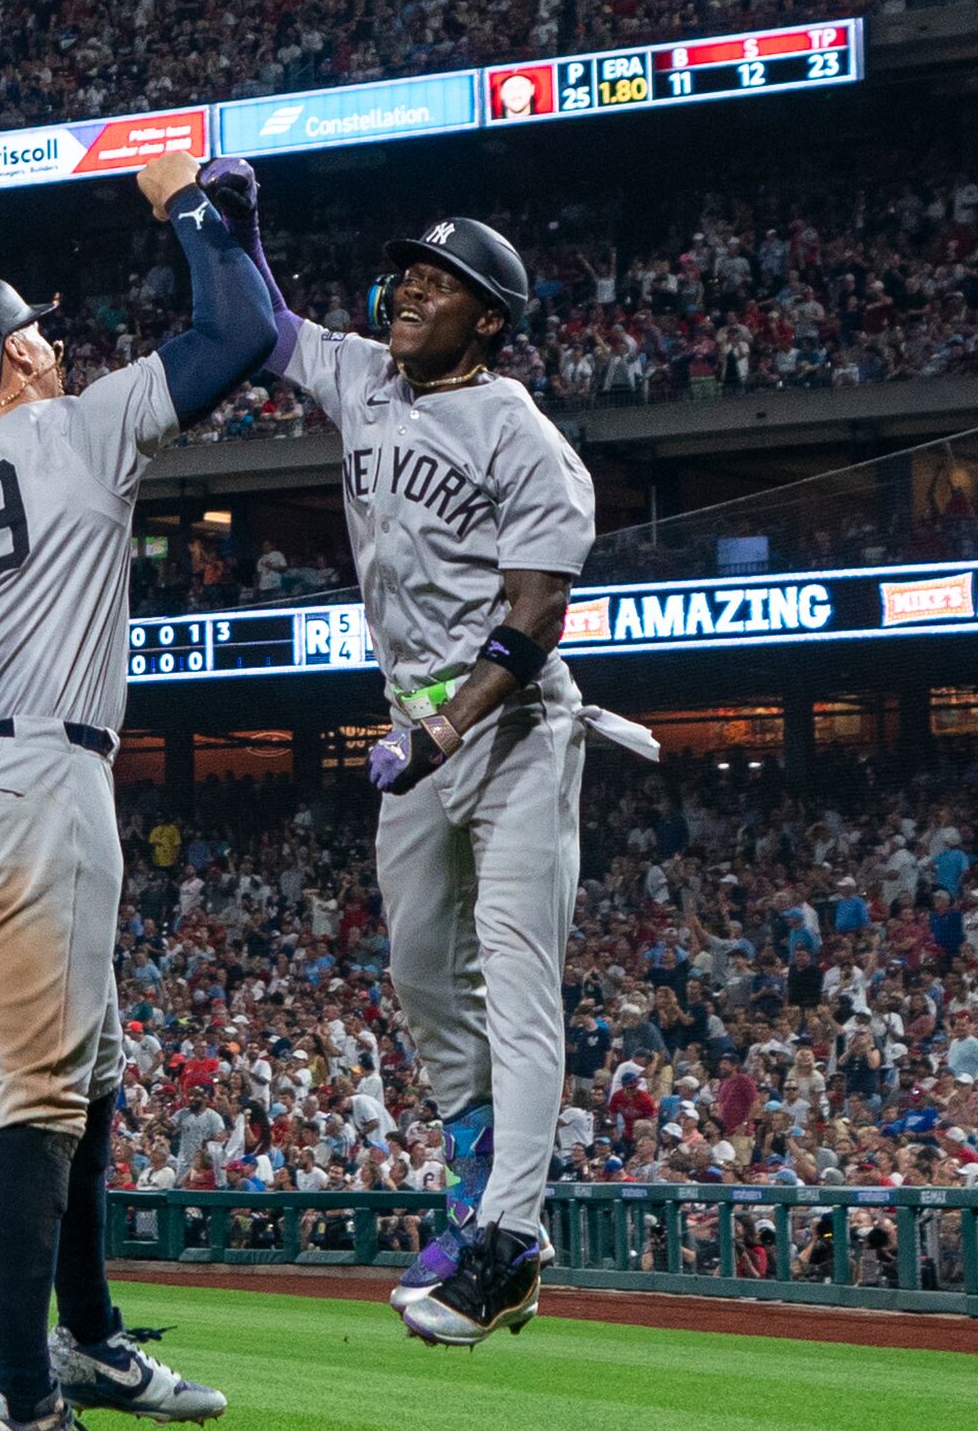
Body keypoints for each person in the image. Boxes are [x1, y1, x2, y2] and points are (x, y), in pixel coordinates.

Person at [0, 150, 264, 1431]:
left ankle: (84, 1331)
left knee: (83, 1071)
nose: (58, 334)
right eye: (39, 324)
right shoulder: (82, 425)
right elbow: (240, 336)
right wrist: (194, 209)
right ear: (15, 350)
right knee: (34, 1099)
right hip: (41, 777)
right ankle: (19, 1405)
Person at [209, 155, 657, 1347]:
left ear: (488, 320)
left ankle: (510, 1236)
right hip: (415, 726)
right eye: (407, 269)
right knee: (417, 969)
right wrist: (243, 226)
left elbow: (535, 609)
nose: (409, 288)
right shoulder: (364, 378)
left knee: (514, 973)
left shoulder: (522, 434)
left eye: (439, 280)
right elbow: (261, 325)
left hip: (510, 726)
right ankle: (472, 1170)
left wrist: (448, 727)